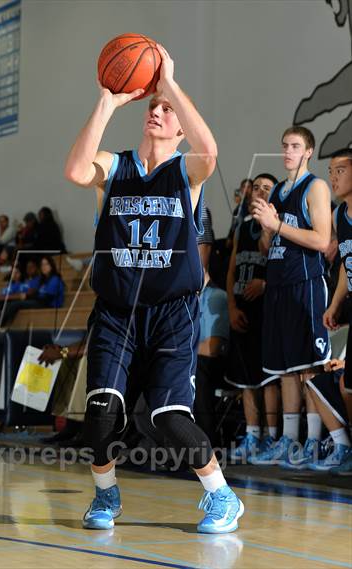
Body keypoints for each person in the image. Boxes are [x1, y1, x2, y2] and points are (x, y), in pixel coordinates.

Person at [64, 43, 243, 533]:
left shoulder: (185, 172)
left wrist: (171, 85)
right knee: (100, 415)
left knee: (169, 418)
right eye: (153, 107)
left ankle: (222, 495)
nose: (158, 113)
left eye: (166, 111)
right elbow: (76, 171)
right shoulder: (115, 167)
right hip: (117, 312)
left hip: (171, 312)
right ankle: (105, 496)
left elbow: (210, 151)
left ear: (180, 125)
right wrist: (107, 101)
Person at [251, 126, 332, 468]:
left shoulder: (316, 187)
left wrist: (278, 225)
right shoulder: (279, 191)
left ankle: (313, 442)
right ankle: (288, 440)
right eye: (284, 145)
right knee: (284, 370)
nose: (287, 151)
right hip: (279, 286)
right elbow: (268, 248)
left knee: (309, 368)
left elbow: (321, 240)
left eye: (295, 146)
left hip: (306, 283)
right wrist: (268, 229)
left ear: (308, 151)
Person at [226, 174, 280, 462]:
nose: (259, 191)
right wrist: (232, 307)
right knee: (245, 379)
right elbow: (232, 271)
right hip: (242, 309)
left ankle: (272, 437)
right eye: (256, 187)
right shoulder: (241, 227)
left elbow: (286, 266)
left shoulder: (278, 223)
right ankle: (252, 435)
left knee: (268, 379)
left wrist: (265, 284)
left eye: (266, 188)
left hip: (266, 309)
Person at [311, 148, 352, 474]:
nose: (333, 177)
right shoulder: (340, 215)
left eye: (340, 170)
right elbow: (344, 266)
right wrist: (336, 303)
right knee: (344, 386)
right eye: (330, 170)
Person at [194, 269, 229, 445]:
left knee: (195, 369)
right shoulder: (183, 299)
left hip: (218, 366)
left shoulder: (216, 297)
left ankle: (206, 444)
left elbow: (212, 348)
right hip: (193, 360)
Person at [1, 255, 64, 325]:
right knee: (11, 303)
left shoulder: (55, 279)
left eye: (46, 264)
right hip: (41, 302)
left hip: (49, 306)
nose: (44, 267)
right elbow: (37, 294)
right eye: (42, 265)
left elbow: (46, 299)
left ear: (52, 266)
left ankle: (2, 326)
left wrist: (28, 297)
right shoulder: (44, 280)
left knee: (14, 305)